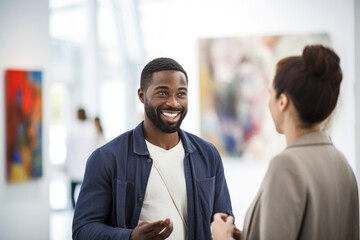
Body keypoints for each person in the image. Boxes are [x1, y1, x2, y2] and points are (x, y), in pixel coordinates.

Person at [72, 57, 233, 240]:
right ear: (142, 96)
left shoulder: (208, 154)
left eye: (181, 94)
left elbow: (223, 219)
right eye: (162, 93)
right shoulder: (107, 158)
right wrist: (130, 237)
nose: (173, 103)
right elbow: (83, 230)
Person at [211, 45, 359, 240]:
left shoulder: (287, 166)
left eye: (270, 94)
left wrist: (223, 238)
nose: (268, 102)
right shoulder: (342, 163)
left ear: (283, 101)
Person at [66, 108, 98, 209]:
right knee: (87, 189)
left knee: (73, 189)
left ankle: (74, 208)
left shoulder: (72, 128)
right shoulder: (91, 128)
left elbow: (69, 147)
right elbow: (95, 145)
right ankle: (86, 208)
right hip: (87, 163)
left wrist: (67, 163)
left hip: (75, 163)